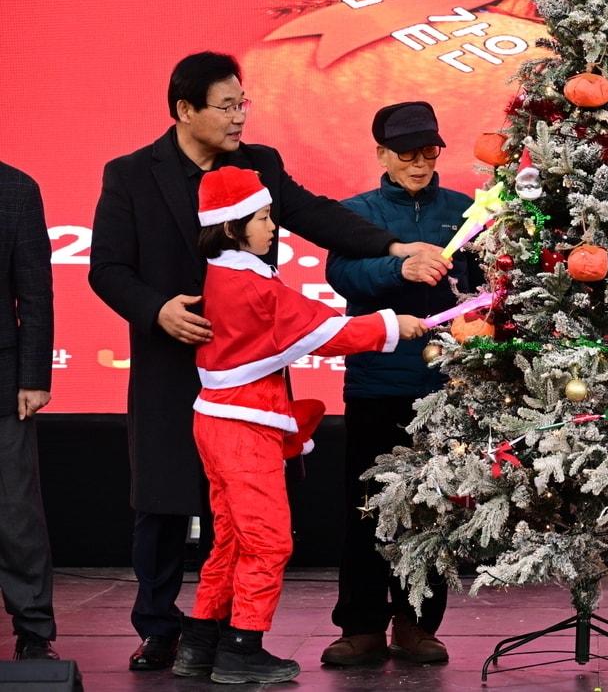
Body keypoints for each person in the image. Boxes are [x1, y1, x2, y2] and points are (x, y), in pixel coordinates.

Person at [88, 51, 443, 671]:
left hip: (248, 370)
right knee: (166, 501)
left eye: (242, 104)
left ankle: (223, 637)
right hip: (175, 360)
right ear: (184, 110)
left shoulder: (258, 165)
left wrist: (391, 244)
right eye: (226, 106)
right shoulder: (131, 174)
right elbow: (107, 270)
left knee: (241, 517)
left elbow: (315, 215)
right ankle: (159, 628)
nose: (238, 118)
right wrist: (156, 310)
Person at [170, 166, 426, 683]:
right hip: (246, 429)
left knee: (231, 539)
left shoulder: (224, 273)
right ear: (231, 226)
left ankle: (200, 643)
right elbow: (320, 328)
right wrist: (389, 326)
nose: (272, 227)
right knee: (267, 542)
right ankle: (243, 647)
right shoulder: (250, 285)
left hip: (218, 422)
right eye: (263, 218)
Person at [321, 102, 484, 668]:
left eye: (429, 152)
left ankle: (417, 626)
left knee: (434, 511)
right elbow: (341, 273)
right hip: (375, 383)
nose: (419, 163)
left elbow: (486, 284)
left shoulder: (465, 211)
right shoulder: (355, 214)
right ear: (381, 155)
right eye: (406, 153)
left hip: (443, 387)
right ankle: (362, 626)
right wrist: (400, 269)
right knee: (368, 508)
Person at [0, 162, 59, 661]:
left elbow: (35, 292)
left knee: (16, 512)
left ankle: (34, 630)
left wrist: (34, 376)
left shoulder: (17, 186)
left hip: (2, 383)